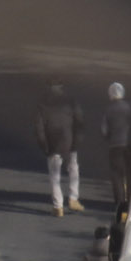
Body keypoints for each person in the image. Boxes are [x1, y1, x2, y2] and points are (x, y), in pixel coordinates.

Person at [36, 82, 85, 216]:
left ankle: (58, 207)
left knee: (54, 175)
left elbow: (39, 128)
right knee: (73, 169)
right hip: (70, 143)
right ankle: (73, 198)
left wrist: (44, 146)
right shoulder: (71, 102)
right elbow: (79, 122)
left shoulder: (43, 105)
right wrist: (77, 141)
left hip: (52, 146)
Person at [101, 82, 131, 208]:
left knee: (117, 174)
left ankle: (120, 201)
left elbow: (104, 130)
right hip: (130, 144)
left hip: (115, 145)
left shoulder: (108, 109)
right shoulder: (130, 106)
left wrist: (109, 139)